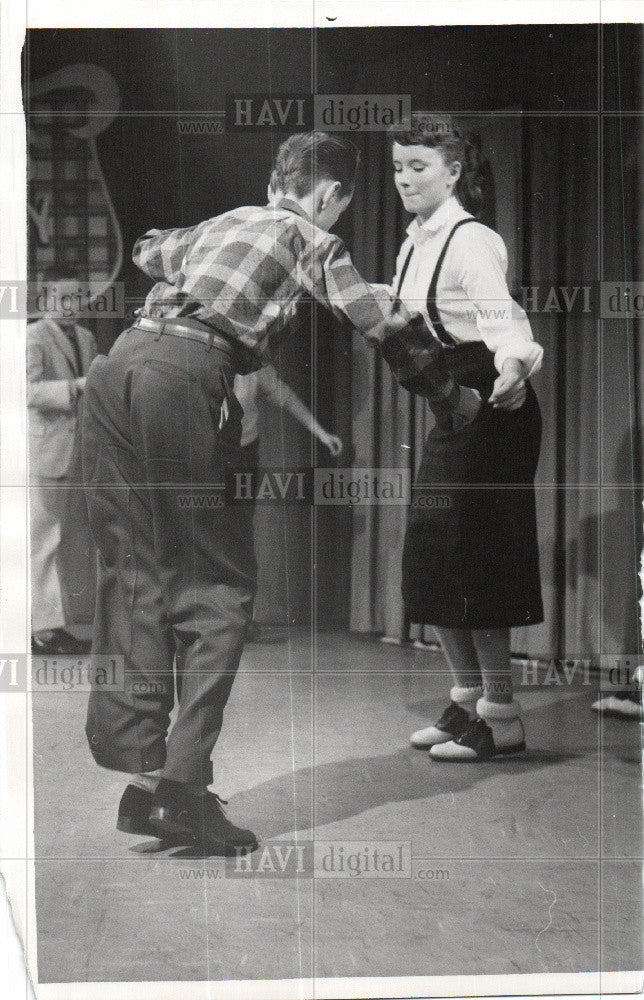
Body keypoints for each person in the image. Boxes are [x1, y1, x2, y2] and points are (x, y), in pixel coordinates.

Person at [82, 131, 482, 854]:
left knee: (136, 573)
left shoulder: (225, 223)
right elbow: (383, 326)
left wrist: (200, 268)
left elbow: (146, 246)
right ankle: (183, 793)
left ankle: (147, 780)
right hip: (181, 377)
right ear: (328, 196)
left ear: (275, 180)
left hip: (119, 368)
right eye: (340, 208)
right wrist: (451, 396)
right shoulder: (312, 241)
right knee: (217, 591)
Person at [389, 114, 545, 761]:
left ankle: (500, 716)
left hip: (494, 405)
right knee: (434, 556)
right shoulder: (413, 242)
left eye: (418, 167)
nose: (404, 179)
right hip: (452, 407)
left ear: (452, 171)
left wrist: (514, 365)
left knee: (476, 560)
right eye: (398, 168)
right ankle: (464, 702)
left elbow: (505, 322)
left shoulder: (471, 240)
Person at [28, 272, 97, 655]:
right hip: (42, 452)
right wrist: (74, 388)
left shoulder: (85, 338)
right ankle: (42, 629)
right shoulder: (32, 336)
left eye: (80, 298)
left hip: (74, 454)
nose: (75, 306)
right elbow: (23, 390)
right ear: (46, 298)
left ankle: (52, 623)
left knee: (58, 539)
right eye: (65, 298)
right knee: (41, 540)